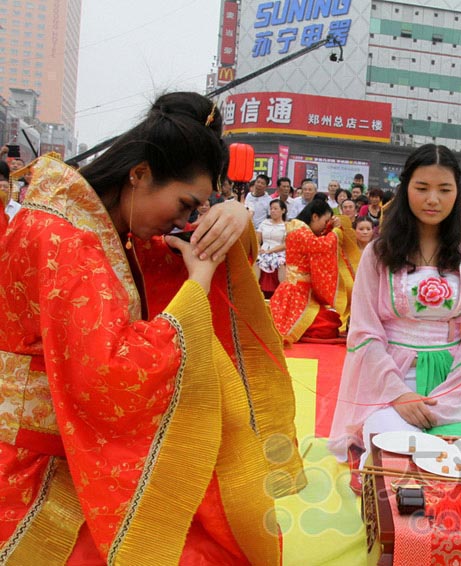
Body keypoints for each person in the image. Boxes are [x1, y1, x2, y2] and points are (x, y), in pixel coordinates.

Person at [0, 92, 303, 564]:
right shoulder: (70, 238)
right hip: (37, 469)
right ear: (139, 173)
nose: (186, 220)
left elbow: (169, 263)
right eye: (186, 204)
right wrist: (199, 280)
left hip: (72, 446)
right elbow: (113, 372)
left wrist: (236, 217)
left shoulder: (79, 220)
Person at [328, 144, 461, 489]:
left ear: (457, 194)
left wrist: (446, 399)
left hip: (454, 388)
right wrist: (398, 394)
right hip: (388, 382)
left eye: (444, 190)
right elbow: (365, 332)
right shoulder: (379, 253)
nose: (433, 199)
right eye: (422, 188)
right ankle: (374, 448)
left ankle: (384, 463)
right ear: (406, 190)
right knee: (402, 450)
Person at [270, 199, 351, 343]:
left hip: (299, 291)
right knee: (328, 326)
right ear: (315, 217)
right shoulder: (301, 232)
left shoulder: (300, 230)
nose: (325, 226)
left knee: (329, 322)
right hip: (297, 293)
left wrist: (329, 229)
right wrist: (337, 231)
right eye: (325, 221)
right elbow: (322, 247)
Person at [255, 198, 288, 292]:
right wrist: (258, 248)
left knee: (280, 261)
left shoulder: (286, 226)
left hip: (278, 251)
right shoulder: (264, 223)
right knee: (257, 259)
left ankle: (283, 290)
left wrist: (271, 251)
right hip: (263, 250)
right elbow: (257, 240)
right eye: (271, 209)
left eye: (275, 209)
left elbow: (286, 244)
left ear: (283, 210)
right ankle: (255, 288)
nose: (272, 211)